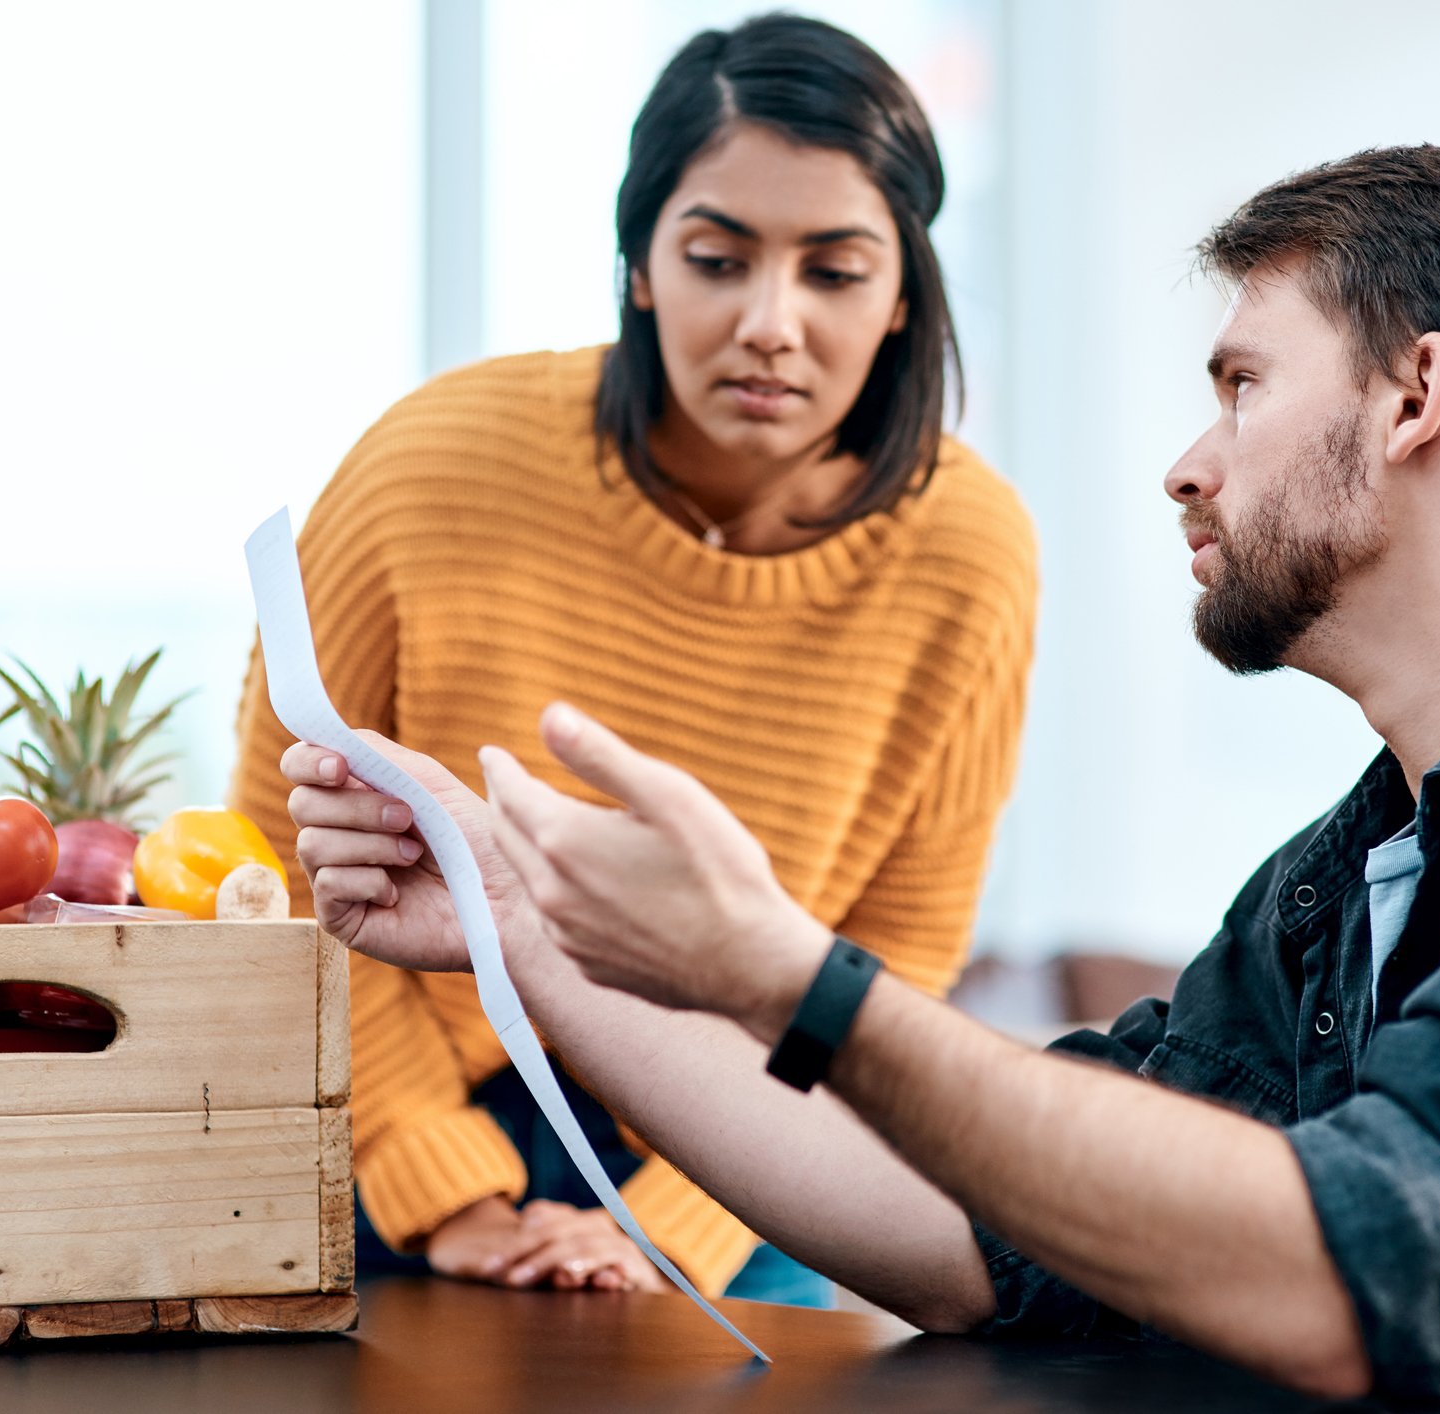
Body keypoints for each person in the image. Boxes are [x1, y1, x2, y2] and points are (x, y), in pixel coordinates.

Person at [280, 144, 1440, 1404]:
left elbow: (1383, 1265)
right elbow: (974, 1231)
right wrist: (529, 933)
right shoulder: (1336, 887)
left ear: (1418, 396)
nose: (1188, 466)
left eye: (1243, 385)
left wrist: (792, 973)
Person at [228, 14, 1036, 1309]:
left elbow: (893, 950)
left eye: (835, 272)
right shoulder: (434, 462)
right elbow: (276, 843)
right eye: (717, 259)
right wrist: (441, 1182)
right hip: (392, 1101)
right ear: (642, 265)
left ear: (902, 296)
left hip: (748, 1147)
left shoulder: (971, 551)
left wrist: (678, 1225)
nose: (771, 324)